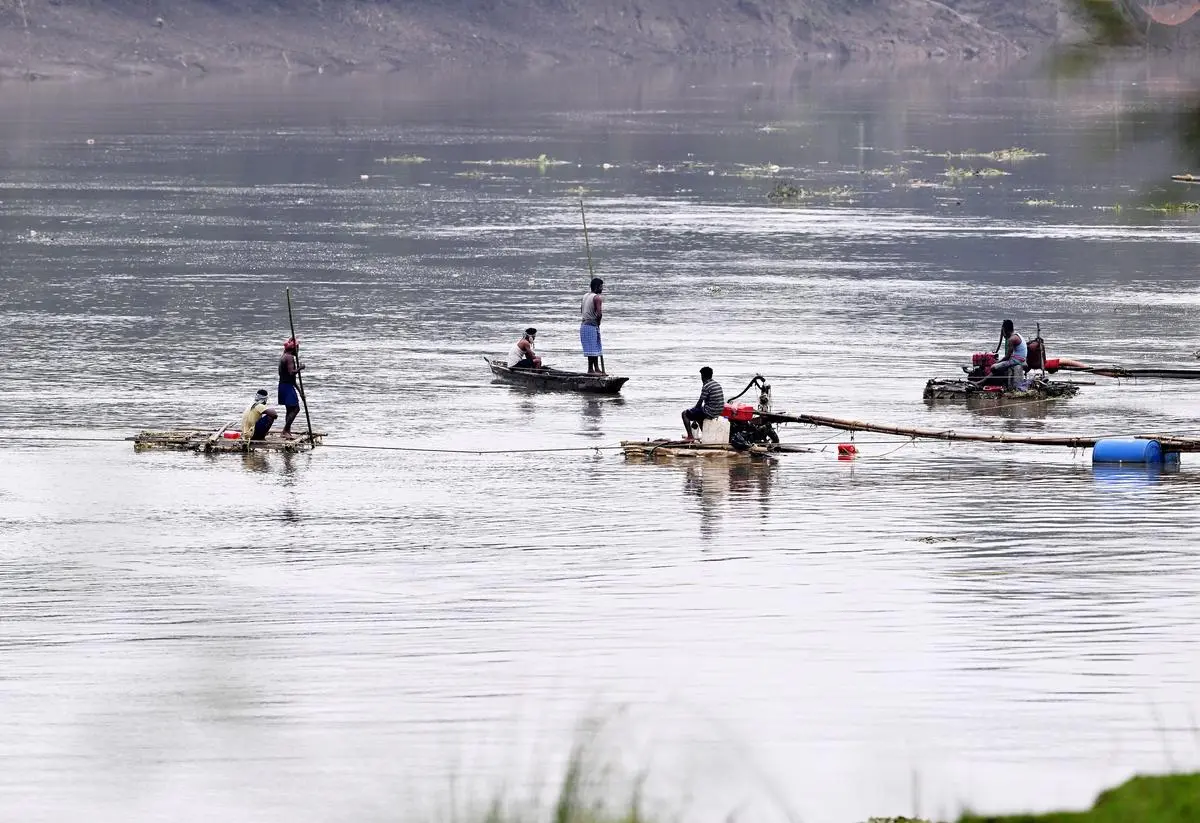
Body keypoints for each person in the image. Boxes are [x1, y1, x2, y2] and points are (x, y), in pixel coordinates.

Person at [681, 366, 725, 440]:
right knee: (698, 415)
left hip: (710, 412)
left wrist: (692, 410)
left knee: (685, 414)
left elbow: (699, 403)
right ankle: (705, 436)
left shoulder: (706, 386)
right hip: (719, 411)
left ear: (703, 376)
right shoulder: (717, 384)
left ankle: (690, 436)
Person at [278, 337, 305, 439]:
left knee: (290, 410)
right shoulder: (289, 357)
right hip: (286, 387)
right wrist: (300, 368)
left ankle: (287, 431)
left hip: (284, 386)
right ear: (293, 349)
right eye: (297, 348)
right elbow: (291, 372)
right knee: (296, 408)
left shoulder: (284, 356)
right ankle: (285, 430)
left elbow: (292, 379)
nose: (298, 351)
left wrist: (300, 392)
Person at [990, 319, 1028, 385]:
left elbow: (1007, 357)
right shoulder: (1017, 335)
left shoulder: (1011, 339)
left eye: (1003, 330)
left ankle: (990, 382)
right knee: (999, 365)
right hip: (1021, 358)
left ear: (1005, 330)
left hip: (1017, 361)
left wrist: (997, 363)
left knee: (993, 367)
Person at [580, 277, 604, 373]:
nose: (602, 289)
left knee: (595, 348)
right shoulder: (597, 298)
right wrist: (598, 323)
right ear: (597, 287)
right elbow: (599, 313)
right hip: (591, 325)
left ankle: (597, 369)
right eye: (601, 287)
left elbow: (581, 310)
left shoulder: (585, 296)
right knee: (592, 349)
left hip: (584, 325)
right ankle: (591, 370)